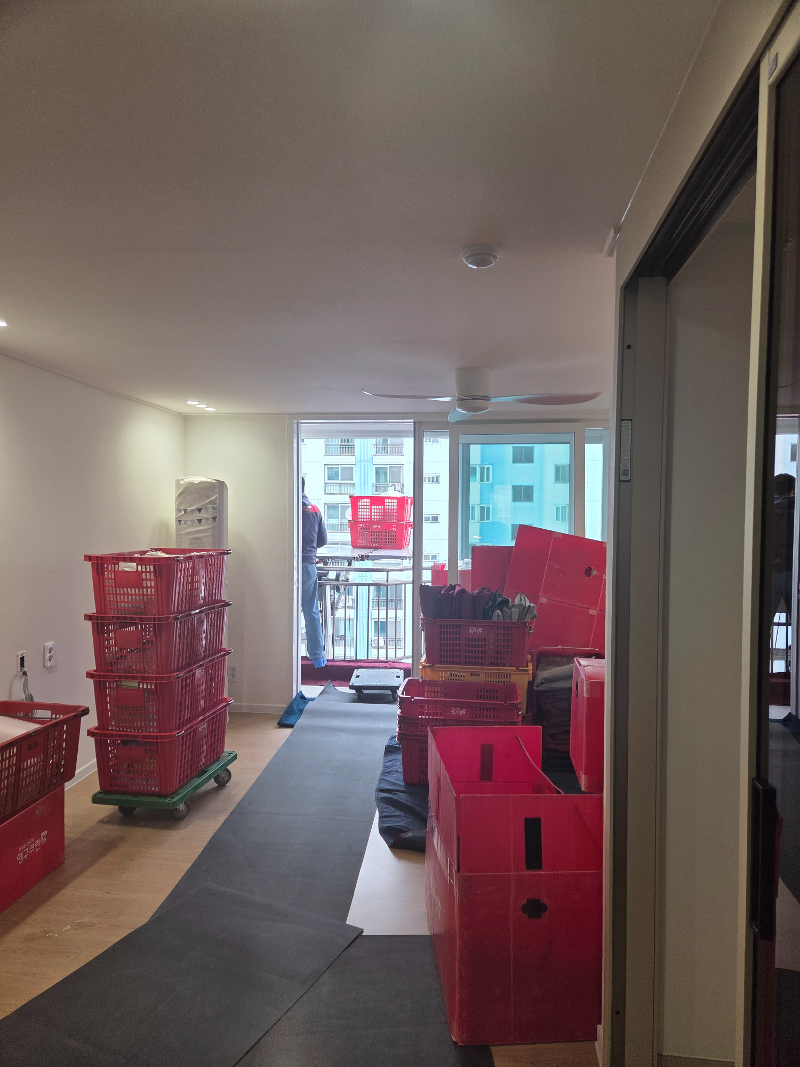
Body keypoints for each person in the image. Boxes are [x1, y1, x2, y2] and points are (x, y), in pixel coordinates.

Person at [301, 477, 328, 668]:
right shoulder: (315, 510)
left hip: (288, 567)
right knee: (311, 612)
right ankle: (318, 658)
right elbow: (322, 540)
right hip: (308, 566)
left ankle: (285, 656)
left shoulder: (287, 510)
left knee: (284, 612)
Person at [772, 472, 796, 623]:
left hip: (768, 573)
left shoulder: (762, 511)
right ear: (793, 491)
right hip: (792, 572)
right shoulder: (796, 511)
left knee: (759, 625)